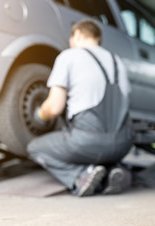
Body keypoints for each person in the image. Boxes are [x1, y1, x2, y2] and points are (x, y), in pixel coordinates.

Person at [27, 19, 132, 197]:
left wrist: (38, 116)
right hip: (123, 144)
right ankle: (113, 170)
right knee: (103, 149)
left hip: (87, 143)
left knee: (35, 148)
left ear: (77, 35)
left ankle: (81, 176)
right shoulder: (117, 62)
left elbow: (53, 108)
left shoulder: (69, 56)